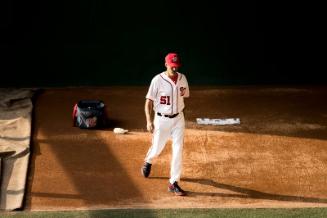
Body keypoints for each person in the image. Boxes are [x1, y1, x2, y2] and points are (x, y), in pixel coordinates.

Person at [141, 52, 190, 196]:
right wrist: (149, 121)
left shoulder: (183, 79)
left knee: (178, 149)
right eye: (172, 66)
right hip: (161, 120)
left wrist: (182, 117)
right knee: (157, 147)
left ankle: (173, 182)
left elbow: (183, 99)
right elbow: (148, 102)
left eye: (176, 66)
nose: (174, 69)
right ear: (166, 64)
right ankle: (148, 160)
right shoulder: (157, 80)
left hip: (178, 119)